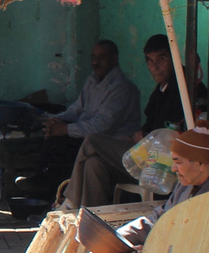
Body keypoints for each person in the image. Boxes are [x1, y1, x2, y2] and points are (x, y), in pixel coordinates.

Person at [64, 33, 199, 208]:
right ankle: (91, 220)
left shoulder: (185, 87)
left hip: (163, 166)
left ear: (173, 58)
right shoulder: (160, 91)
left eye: (161, 59)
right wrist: (138, 136)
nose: (155, 67)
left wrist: (144, 137)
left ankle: (70, 201)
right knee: (93, 164)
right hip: (144, 157)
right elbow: (150, 128)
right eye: (150, 61)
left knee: (92, 140)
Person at [101, 128, 209, 253]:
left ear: (200, 163)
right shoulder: (185, 184)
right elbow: (158, 219)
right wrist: (117, 238)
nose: (173, 168)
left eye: (178, 162)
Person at [38, 40, 141, 194]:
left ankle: (62, 195)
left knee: (69, 146)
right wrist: (56, 120)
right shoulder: (92, 81)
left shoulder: (122, 88)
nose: (95, 62)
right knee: (53, 137)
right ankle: (45, 188)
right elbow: (75, 110)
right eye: (93, 57)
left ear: (114, 59)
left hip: (112, 143)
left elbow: (101, 127)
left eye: (101, 57)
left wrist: (65, 129)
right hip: (87, 136)